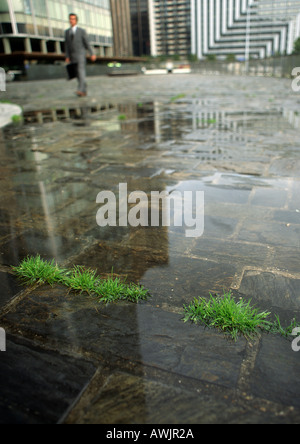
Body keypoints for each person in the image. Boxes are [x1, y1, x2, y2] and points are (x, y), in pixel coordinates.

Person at [65, 13, 96, 97]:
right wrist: (67, 56)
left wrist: (92, 53)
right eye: (70, 19)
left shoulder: (81, 31)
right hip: (72, 56)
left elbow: (87, 43)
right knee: (78, 74)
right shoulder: (67, 32)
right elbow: (67, 45)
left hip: (81, 55)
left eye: (73, 19)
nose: (71, 20)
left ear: (76, 20)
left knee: (81, 72)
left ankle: (80, 89)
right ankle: (83, 90)